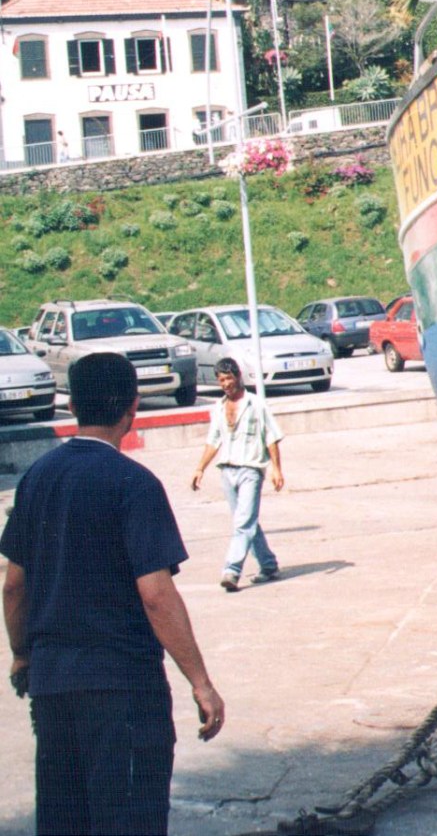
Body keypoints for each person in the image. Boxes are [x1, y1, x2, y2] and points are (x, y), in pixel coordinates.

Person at [2, 352, 224, 835]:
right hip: (122, 691)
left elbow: (13, 585)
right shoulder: (134, 484)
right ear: (132, 407)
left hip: (53, 687)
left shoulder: (36, 479)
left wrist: (22, 656)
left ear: (72, 405)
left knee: (65, 823)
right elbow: (157, 597)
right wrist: (201, 682)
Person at [192, 357, 284, 591]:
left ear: (238, 376)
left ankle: (231, 571)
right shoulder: (219, 407)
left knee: (243, 523)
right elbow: (213, 441)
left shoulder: (256, 404)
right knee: (245, 521)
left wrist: (276, 470)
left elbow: (271, 437)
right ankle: (268, 564)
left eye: (229, 378)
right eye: (221, 380)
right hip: (227, 471)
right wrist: (200, 467)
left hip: (251, 470)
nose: (225, 384)